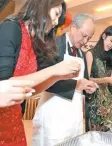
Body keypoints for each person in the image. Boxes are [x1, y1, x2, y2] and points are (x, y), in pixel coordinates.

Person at [0, 0, 81, 145]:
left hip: (15, 118)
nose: (56, 22)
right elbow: (5, 86)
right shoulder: (11, 28)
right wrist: (55, 69)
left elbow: (32, 90)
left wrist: (57, 76)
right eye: (56, 14)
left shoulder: (34, 42)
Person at [32, 13, 98, 146]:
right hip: (53, 116)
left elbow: (83, 81)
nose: (85, 41)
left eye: (89, 38)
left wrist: (88, 87)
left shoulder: (82, 53)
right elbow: (41, 78)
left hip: (74, 117)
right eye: (84, 35)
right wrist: (76, 85)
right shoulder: (53, 44)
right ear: (73, 27)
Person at [86, 25, 112, 131]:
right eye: (111, 40)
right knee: (97, 135)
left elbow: (109, 81)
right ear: (103, 36)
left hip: (108, 101)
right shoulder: (90, 54)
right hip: (95, 102)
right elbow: (87, 80)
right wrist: (107, 80)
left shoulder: (110, 57)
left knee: (110, 134)